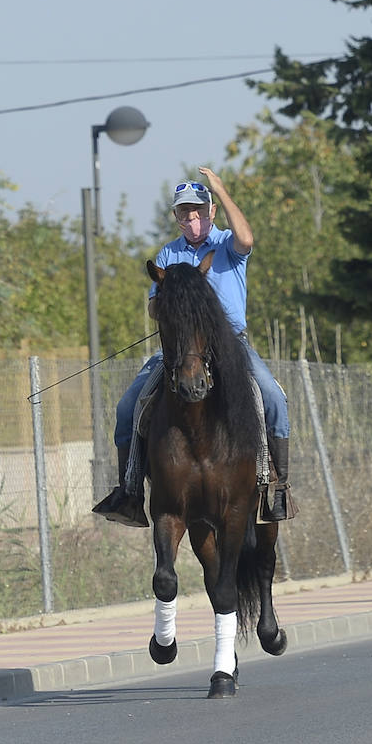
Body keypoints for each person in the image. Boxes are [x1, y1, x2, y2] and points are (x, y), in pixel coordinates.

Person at [92, 166, 292, 527]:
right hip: (181, 349)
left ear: (211, 211)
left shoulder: (226, 244)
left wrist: (221, 189)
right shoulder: (167, 255)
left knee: (272, 397)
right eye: (185, 212)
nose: (193, 217)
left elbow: (247, 239)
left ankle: (276, 486)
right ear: (176, 217)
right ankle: (131, 490)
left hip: (232, 345)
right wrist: (174, 307)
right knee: (127, 406)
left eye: (199, 209)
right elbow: (155, 306)